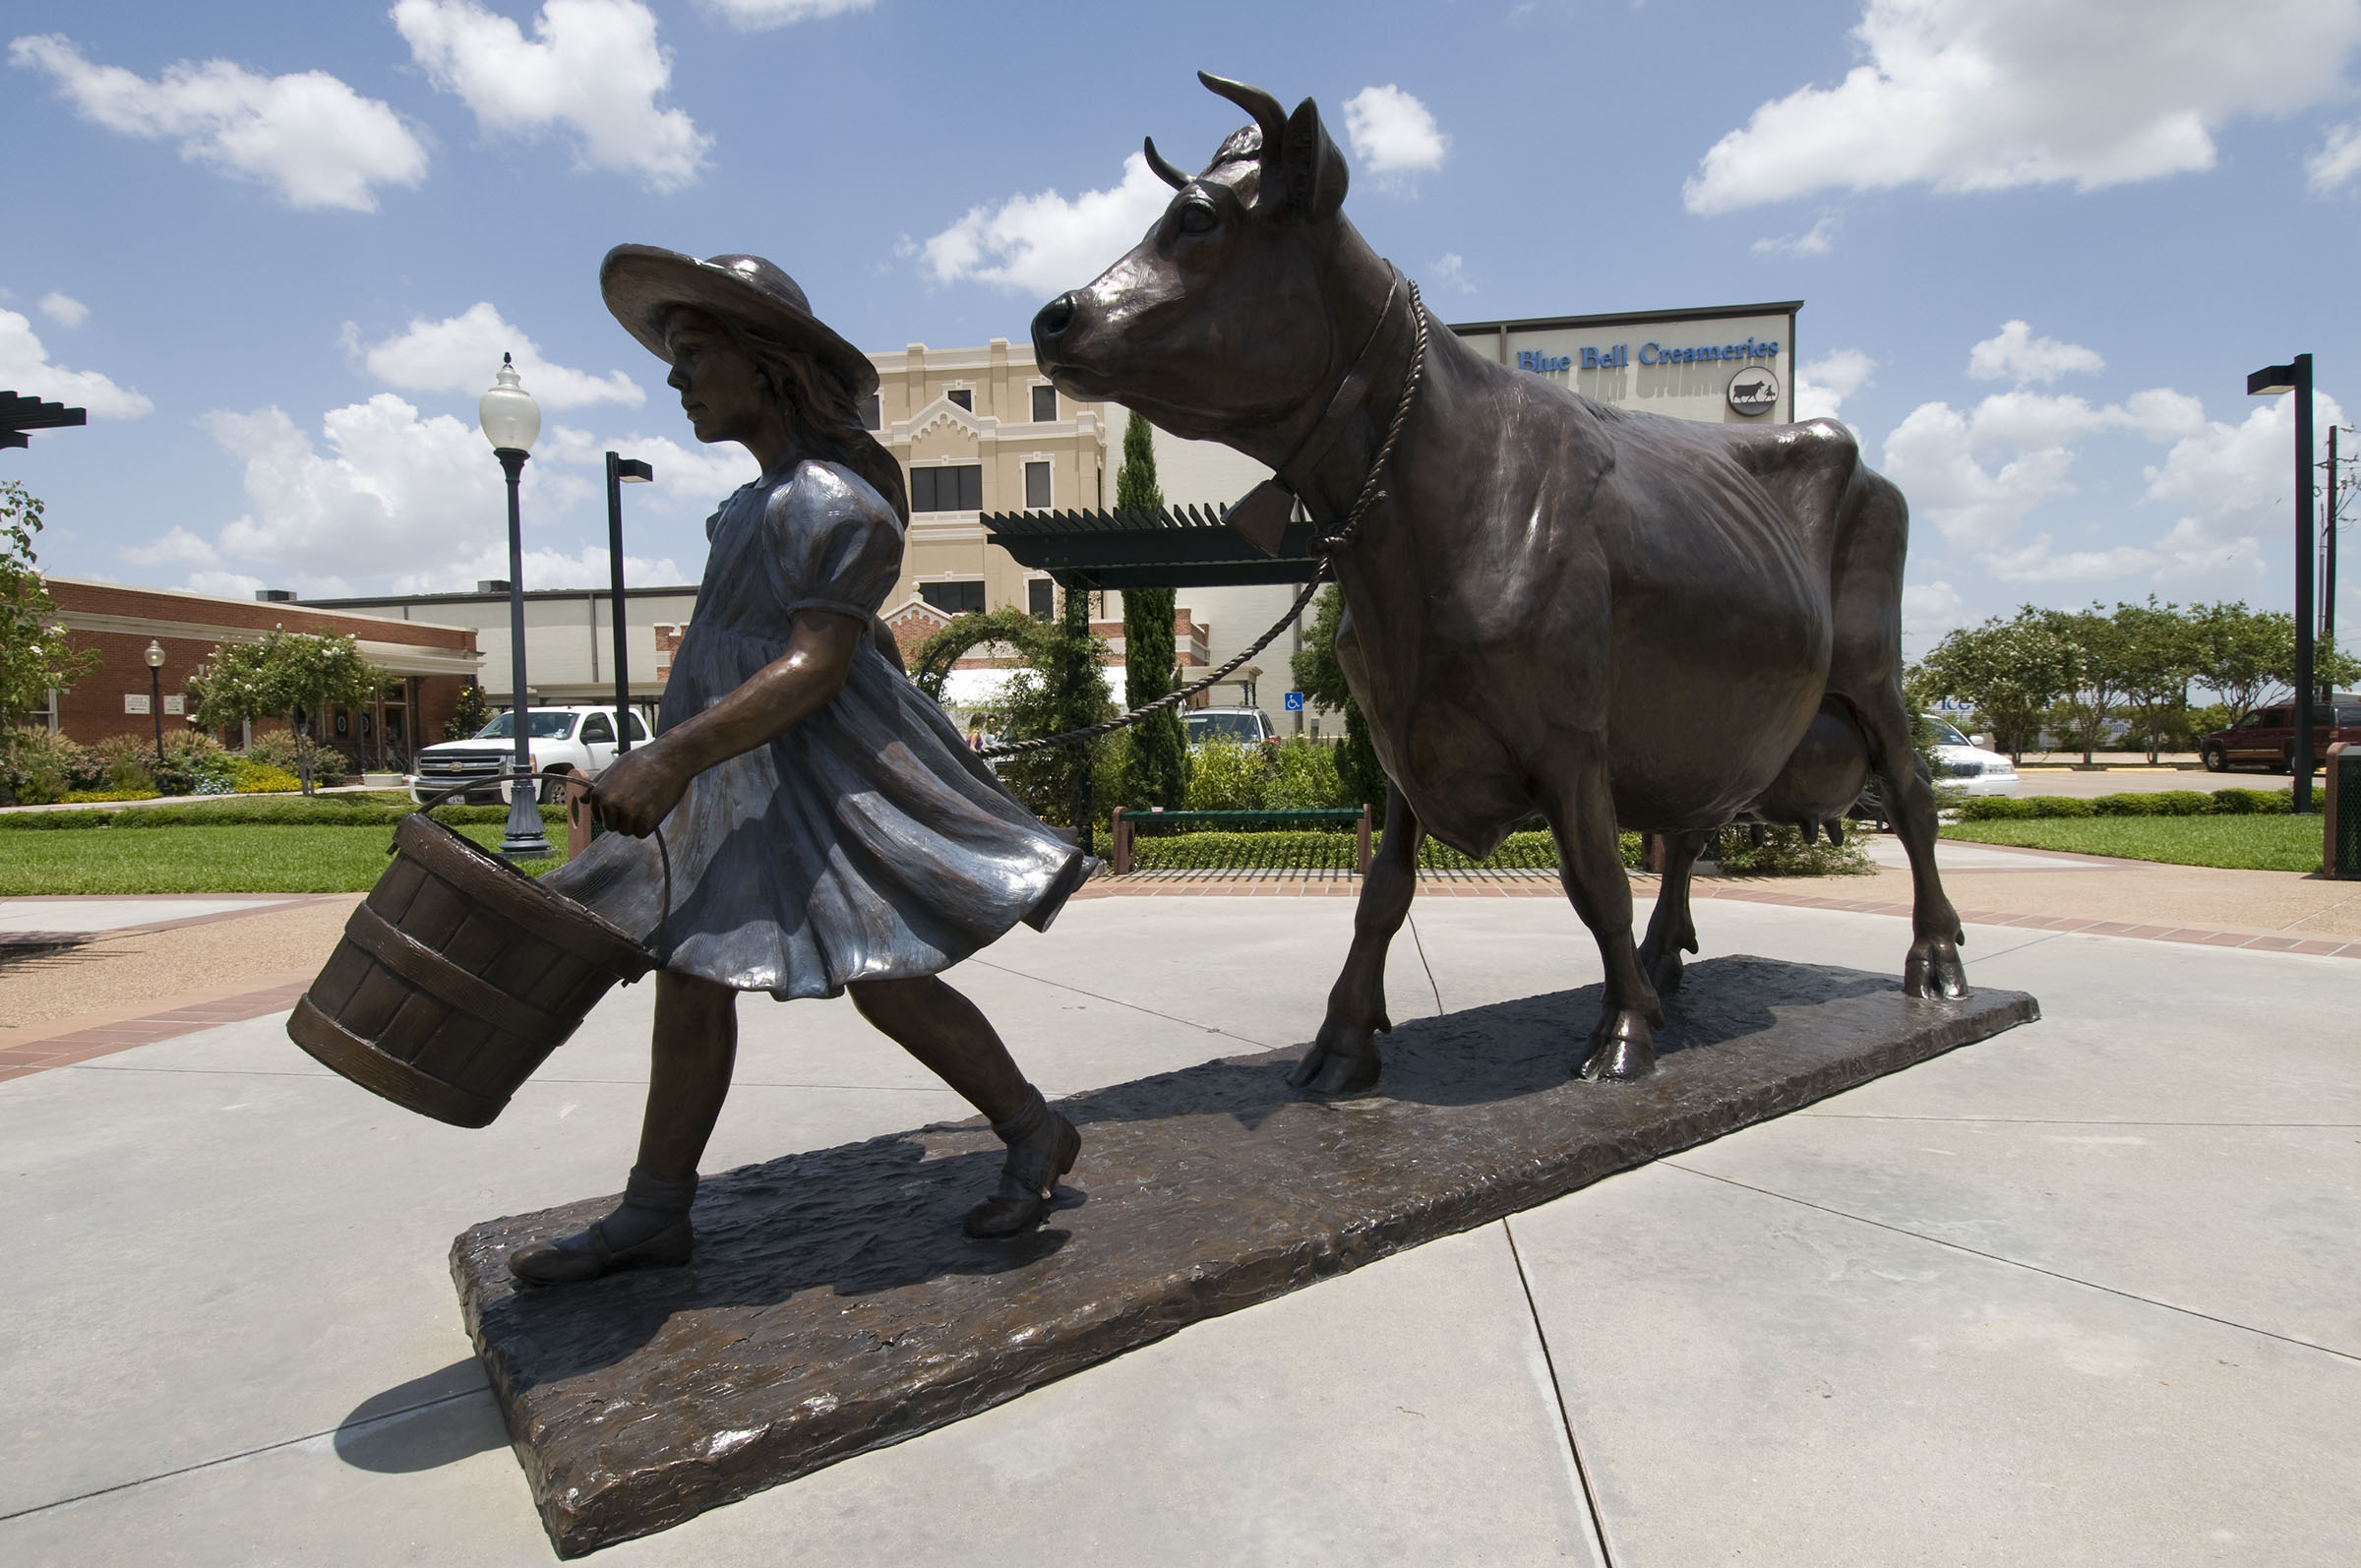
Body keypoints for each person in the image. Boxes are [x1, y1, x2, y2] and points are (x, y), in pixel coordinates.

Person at [509, 248, 1087, 1286]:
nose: (675, 378)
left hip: (818, 780)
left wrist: (673, 756)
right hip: (745, 778)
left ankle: (1033, 1128)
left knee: (888, 976)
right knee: (691, 976)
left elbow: (816, 662)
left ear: (767, 364)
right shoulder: (747, 506)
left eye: (693, 353)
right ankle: (655, 1209)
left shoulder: (832, 503)